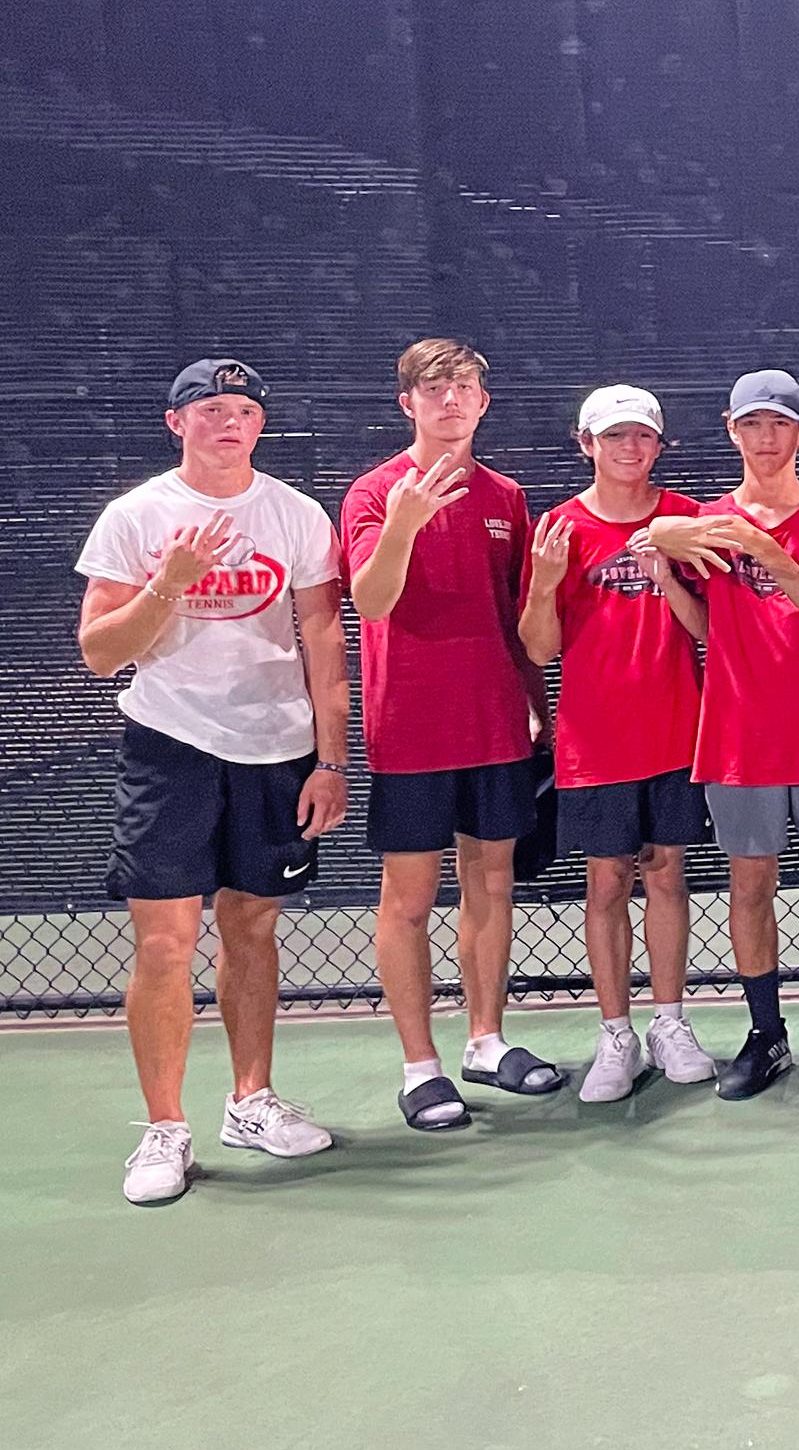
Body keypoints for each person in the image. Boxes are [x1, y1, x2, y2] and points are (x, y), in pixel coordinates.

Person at [78, 359, 348, 1203]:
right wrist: (168, 584)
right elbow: (99, 651)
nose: (229, 423)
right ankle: (165, 1129)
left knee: (252, 931)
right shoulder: (137, 516)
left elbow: (324, 641)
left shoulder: (296, 515)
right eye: (210, 409)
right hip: (171, 748)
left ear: (259, 425)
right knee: (165, 943)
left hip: (277, 752)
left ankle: (250, 1102)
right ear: (177, 423)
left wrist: (332, 760)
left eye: (243, 411)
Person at [341, 337, 557, 1133]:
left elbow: (520, 619)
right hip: (410, 729)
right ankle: (420, 1068)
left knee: (491, 884)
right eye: (434, 389)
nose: (451, 400)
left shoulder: (506, 496)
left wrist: (536, 704)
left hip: (495, 724)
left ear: (483, 401)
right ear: (408, 403)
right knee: (407, 899)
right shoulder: (374, 493)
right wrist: (403, 524)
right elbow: (370, 599)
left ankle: (486, 1042)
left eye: (464, 386)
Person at [647, 370, 799, 1101]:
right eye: (751, 424)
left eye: (779, 424)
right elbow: (710, 628)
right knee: (750, 882)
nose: (766, 439)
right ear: (731, 431)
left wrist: (767, 552)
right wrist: (665, 567)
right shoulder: (705, 522)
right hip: (738, 731)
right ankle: (766, 1032)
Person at [516, 384, 718, 1103]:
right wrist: (544, 585)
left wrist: (667, 577)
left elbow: (710, 631)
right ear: (586, 445)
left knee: (665, 875)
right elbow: (538, 647)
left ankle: (670, 1023)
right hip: (594, 742)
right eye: (614, 437)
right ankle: (615, 1034)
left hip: (675, 732)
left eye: (642, 436)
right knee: (606, 883)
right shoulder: (560, 528)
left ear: (659, 445)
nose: (629, 449)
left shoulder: (688, 520)